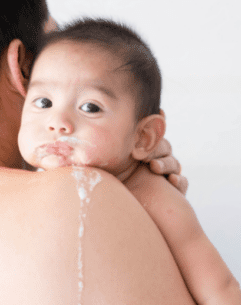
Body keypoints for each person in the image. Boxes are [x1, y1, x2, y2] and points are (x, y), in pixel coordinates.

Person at [0, 0, 227, 303]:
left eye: (90, 107)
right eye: (45, 100)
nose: (59, 124)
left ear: (145, 134)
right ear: (22, 67)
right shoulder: (81, 194)